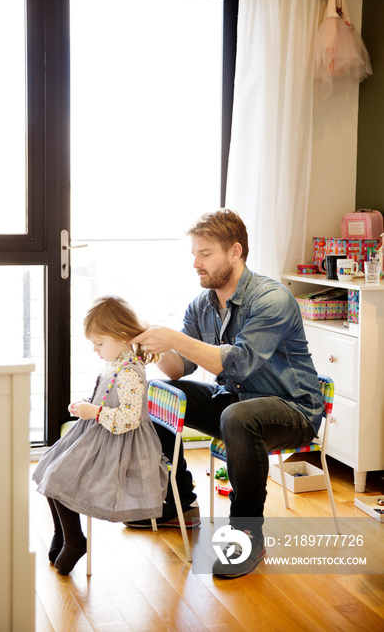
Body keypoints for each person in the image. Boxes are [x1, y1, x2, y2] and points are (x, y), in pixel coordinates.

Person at [128, 209, 323, 578]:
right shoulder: (203, 305)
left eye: (205, 254)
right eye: (194, 254)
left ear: (235, 252)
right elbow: (179, 368)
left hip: (293, 409)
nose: (195, 263)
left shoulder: (271, 299)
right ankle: (178, 505)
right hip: (236, 403)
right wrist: (150, 346)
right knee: (159, 392)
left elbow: (239, 364)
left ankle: (248, 533)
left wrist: (178, 339)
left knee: (238, 417)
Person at [32, 295, 168, 575]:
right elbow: (109, 400)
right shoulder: (114, 362)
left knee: (59, 475)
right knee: (49, 465)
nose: (95, 350)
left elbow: (128, 420)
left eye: (99, 343)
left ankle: (74, 540)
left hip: (119, 445)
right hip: (99, 433)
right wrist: (86, 405)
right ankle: (63, 532)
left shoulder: (130, 371)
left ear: (120, 336)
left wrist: (93, 412)